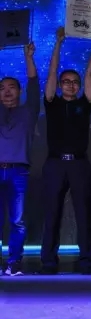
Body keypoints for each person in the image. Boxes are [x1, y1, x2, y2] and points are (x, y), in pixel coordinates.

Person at [39, 27, 91, 275]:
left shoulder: (84, 104)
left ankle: (87, 261)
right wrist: (58, 43)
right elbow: (52, 70)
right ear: (59, 85)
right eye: (66, 82)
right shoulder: (52, 102)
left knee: (83, 214)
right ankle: (48, 261)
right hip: (55, 164)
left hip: (79, 164)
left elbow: (89, 73)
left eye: (74, 82)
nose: (71, 85)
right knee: (52, 214)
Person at [0, 43, 40, 276]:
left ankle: (14, 262)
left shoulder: (28, 111)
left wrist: (29, 57)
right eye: (2, 88)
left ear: (19, 91)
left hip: (19, 172)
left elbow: (34, 84)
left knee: (17, 220)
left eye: (11, 87)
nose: (6, 92)